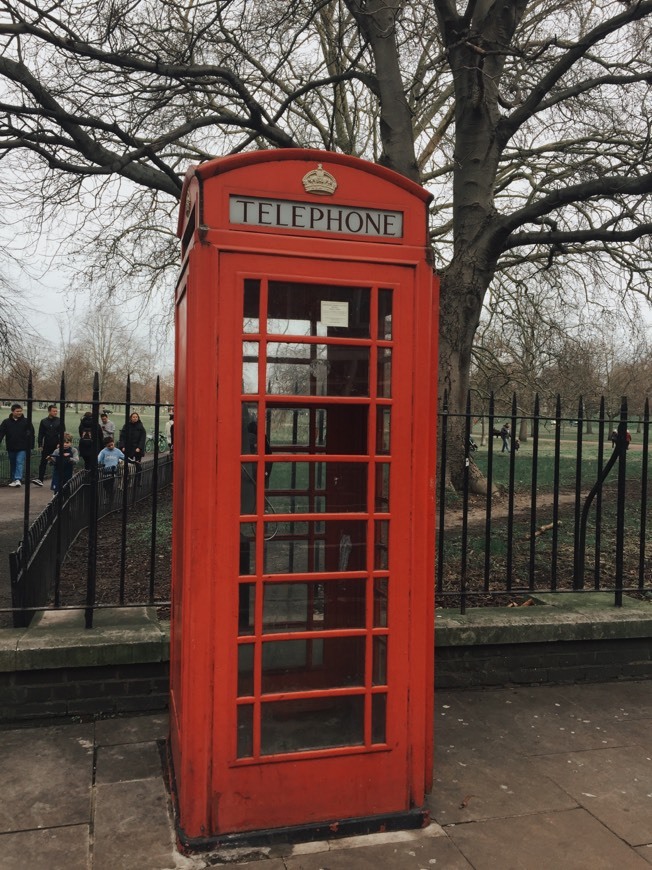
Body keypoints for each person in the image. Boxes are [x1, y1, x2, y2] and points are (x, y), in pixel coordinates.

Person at [0, 404, 35, 487]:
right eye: (17, 411)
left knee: (19, 462)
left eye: (20, 411)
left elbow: (31, 434)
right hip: (11, 446)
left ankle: (18, 479)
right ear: (12, 411)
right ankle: (14, 480)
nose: (19, 413)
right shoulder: (6, 422)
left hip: (23, 447)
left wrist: (31, 446)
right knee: (13, 463)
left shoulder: (26, 421)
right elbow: (1, 433)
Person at [33, 404, 61, 486]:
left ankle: (59, 479)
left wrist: (60, 443)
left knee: (58, 462)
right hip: (47, 445)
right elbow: (41, 433)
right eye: (54, 411)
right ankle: (40, 479)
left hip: (57, 445)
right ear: (49, 411)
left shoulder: (60, 421)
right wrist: (40, 444)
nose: (55, 412)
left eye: (56, 411)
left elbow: (63, 433)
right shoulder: (44, 421)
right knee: (43, 462)